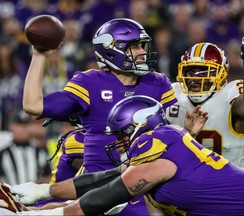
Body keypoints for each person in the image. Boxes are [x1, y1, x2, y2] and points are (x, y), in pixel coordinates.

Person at [12, 95, 244, 216]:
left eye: (120, 133)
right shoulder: (161, 153)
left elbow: (99, 199)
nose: (117, 142)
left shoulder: (155, 147)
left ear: (139, 127)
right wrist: (39, 194)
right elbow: (97, 181)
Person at [22, 17, 178, 215]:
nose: (142, 52)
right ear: (111, 50)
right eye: (134, 46)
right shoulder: (90, 82)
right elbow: (33, 106)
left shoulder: (158, 83)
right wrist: (39, 56)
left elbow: (176, 134)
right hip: (97, 184)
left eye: (142, 46)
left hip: (144, 185)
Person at [166, 17, 244, 169]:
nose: (194, 78)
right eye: (190, 71)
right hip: (185, 185)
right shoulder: (172, 94)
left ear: (221, 75)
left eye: (203, 72)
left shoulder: (229, 95)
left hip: (229, 186)